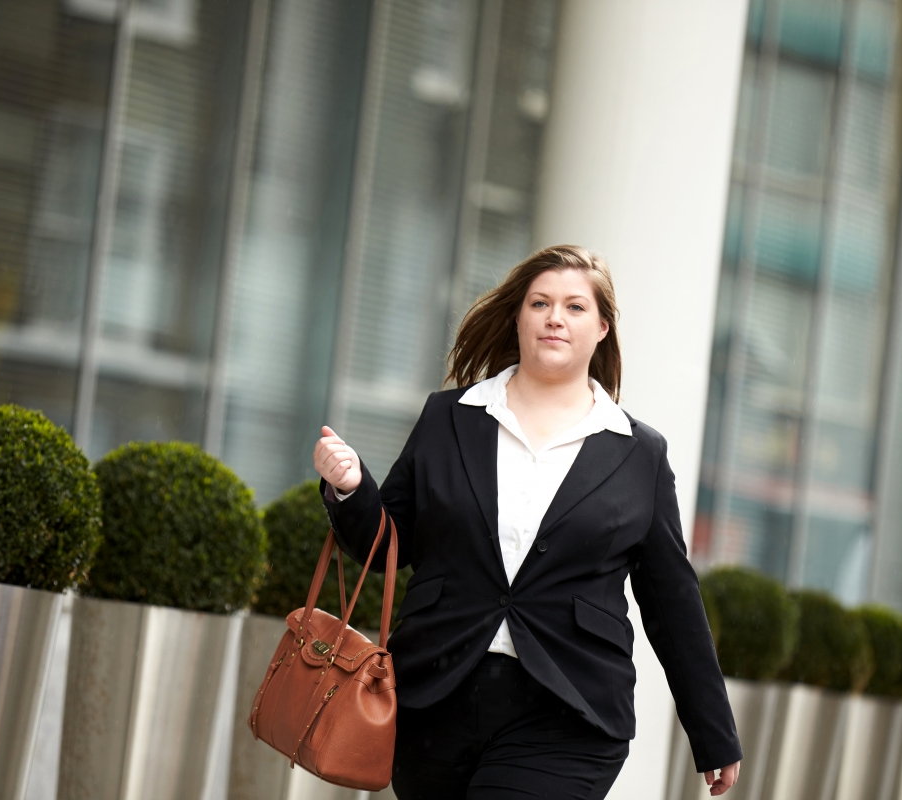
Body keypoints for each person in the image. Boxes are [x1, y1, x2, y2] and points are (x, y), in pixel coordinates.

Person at [314, 245, 742, 799]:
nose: (555, 317)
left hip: (569, 709)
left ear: (603, 327)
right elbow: (388, 545)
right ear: (519, 316)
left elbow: (672, 599)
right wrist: (350, 491)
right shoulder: (450, 417)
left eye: (574, 307)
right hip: (435, 692)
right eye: (540, 303)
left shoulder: (639, 454)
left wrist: (712, 731)